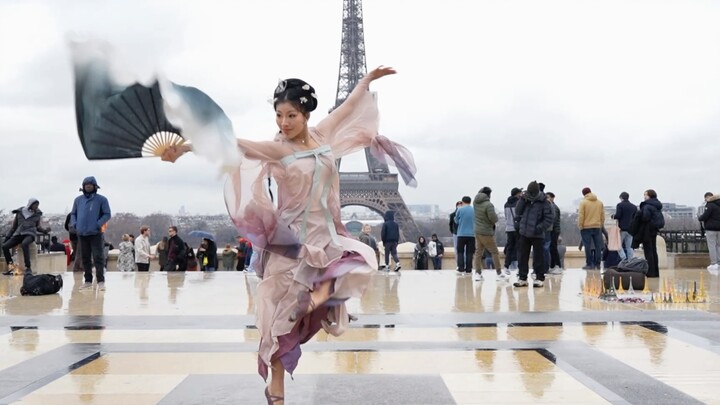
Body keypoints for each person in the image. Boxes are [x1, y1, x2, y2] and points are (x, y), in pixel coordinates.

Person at [160, 66, 414, 404]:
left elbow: (347, 110)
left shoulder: (323, 136)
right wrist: (188, 147)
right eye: (279, 115)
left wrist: (366, 81)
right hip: (291, 244)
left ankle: (312, 302)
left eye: (291, 114)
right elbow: (231, 143)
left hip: (326, 239)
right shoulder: (278, 149)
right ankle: (276, 389)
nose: (284, 123)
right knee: (279, 323)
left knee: (358, 268)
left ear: (306, 114)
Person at [70, 176, 111, 290]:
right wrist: (75, 224)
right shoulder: (78, 200)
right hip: (82, 233)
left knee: (98, 257)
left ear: (94, 186)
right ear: (83, 187)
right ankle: (87, 280)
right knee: (85, 257)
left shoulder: (102, 199)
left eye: (90, 184)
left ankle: (100, 281)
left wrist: (98, 224)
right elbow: (73, 213)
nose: (88, 186)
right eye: (86, 184)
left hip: (96, 233)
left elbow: (107, 214)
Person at [513, 181, 554, 288]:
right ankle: (522, 278)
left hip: (537, 234)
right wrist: (522, 200)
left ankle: (539, 278)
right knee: (522, 256)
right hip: (524, 233)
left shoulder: (544, 202)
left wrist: (539, 228)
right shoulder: (525, 200)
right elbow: (517, 211)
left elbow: (549, 218)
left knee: (538, 257)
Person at [2, 198, 50, 275]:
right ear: (30, 204)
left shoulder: (37, 214)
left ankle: (28, 267)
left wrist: (44, 231)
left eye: (37, 205)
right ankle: (11, 267)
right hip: (19, 233)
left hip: (30, 234)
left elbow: (38, 227)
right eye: (35, 205)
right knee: (5, 246)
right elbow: (14, 227)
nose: (37, 207)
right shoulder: (20, 212)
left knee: (25, 244)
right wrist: (8, 237)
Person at [472, 186, 506, 281]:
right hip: (486, 231)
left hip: (478, 230)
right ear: (489, 195)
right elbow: (493, 218)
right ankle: (499, 273)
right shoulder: (489, 205)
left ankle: (478, 273)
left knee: (478, 252)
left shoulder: (475, 202)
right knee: (494, 252)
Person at [635, 189, 664, 278]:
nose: (644, 197)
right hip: (654, 230)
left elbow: (645, 217)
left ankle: (650, 272)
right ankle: (655, 271)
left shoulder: (647, 206)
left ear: (650, 196)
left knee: (648, 251)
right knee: (653, 250)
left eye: (646, 195)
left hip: (647, 230)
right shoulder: (657, 205)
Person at [577, 187, 605, 270]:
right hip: (597, 226)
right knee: (598, 246)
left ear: (584, 194)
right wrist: (600, 224)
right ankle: (598, 264)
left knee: (587, 246)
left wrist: (580, 226)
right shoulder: (599, 203)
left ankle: (589, 264)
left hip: (586, 227)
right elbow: (602, 215)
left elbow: (581, 215)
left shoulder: (583, 203)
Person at [612, 191, 637, 261]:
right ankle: (630, 261)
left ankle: (623, 258)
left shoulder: (620, 205)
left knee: (618, 246)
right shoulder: (634, 207)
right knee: (629, 247)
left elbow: (618, 215)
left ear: (621, 197)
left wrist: (613, 216)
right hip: (631, 230)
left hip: (622, 229)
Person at [699, 192, 720, 272]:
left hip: (711, 228)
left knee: (712, 246)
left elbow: (705, 216)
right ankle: (719, 262)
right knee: (718, 246)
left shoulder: (710, 205)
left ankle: (714, 263)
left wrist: (700, 218)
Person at [454, 196, 475, 275]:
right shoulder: (473, 210)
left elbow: (456, 220)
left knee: (460, 252)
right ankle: (469, 269)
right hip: (471, 235)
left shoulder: (460, 209)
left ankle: (461, 268)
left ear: (462, 202)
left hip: (461, 234)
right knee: (469, 252)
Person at [503, 188, 522, 271]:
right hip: (517, 228)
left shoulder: (506, 204)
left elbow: (506, 217)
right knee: (519, 247)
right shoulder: (519, 203)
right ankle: (519, 265)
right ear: (517, 194)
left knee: (510, 247)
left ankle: (506, 265)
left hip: (509, 228)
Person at [545, 192, 562, 274]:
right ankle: (553, 265)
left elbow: (553, 220)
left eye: (548, 197)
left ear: (552, 198)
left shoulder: (553, 207)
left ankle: (557, 265)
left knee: (553, 248)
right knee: (552, 248)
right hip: (554, 230)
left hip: (554, 230)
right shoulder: (553, 206)